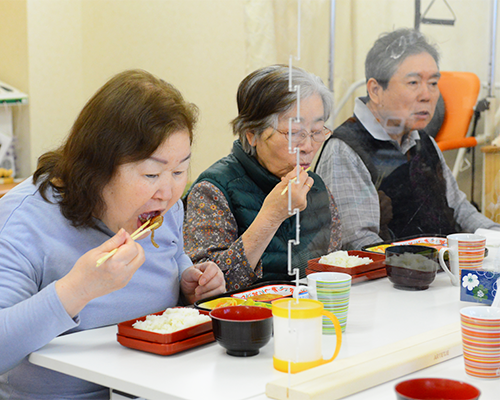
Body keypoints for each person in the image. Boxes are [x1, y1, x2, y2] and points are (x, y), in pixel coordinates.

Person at [0, 69, 225, 399]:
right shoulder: (25, 219)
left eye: (179, 171)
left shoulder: (164, 207)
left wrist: (187, 280)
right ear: (97, 167)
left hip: (160, 387)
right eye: (151, 173)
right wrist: (78, 289)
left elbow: (173, 256)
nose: (169, 191)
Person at [315, 28, 500, 250]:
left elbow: (460, 210)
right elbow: (359, 246)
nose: (427, 95)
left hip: (439, 270)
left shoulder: (423, 141)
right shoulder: (345, 150)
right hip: (394, 279)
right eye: (413, 83)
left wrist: (494, 236)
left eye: (433, 83)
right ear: (375, 90)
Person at [184, 65, 342, 291]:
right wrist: (271, 216)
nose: (308, 146)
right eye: (294, 134)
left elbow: (335, 270)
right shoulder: (213, 189)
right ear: (252, 134)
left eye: (317, 132)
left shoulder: (315, 187)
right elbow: (204, 289)